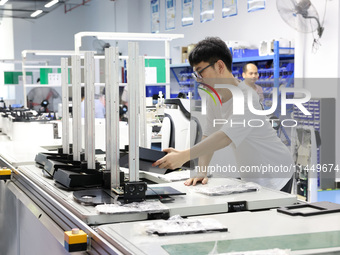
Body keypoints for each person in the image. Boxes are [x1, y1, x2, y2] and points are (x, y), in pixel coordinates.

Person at [152, 37, 293, 192]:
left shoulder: (247, 97)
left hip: (276, 174)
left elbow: (225, 137)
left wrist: (185, 156)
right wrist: (201, 171)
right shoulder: (214, 97)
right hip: (251, 177)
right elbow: (209, 132)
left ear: (219, 66)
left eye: (200, 72)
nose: (199, 80)